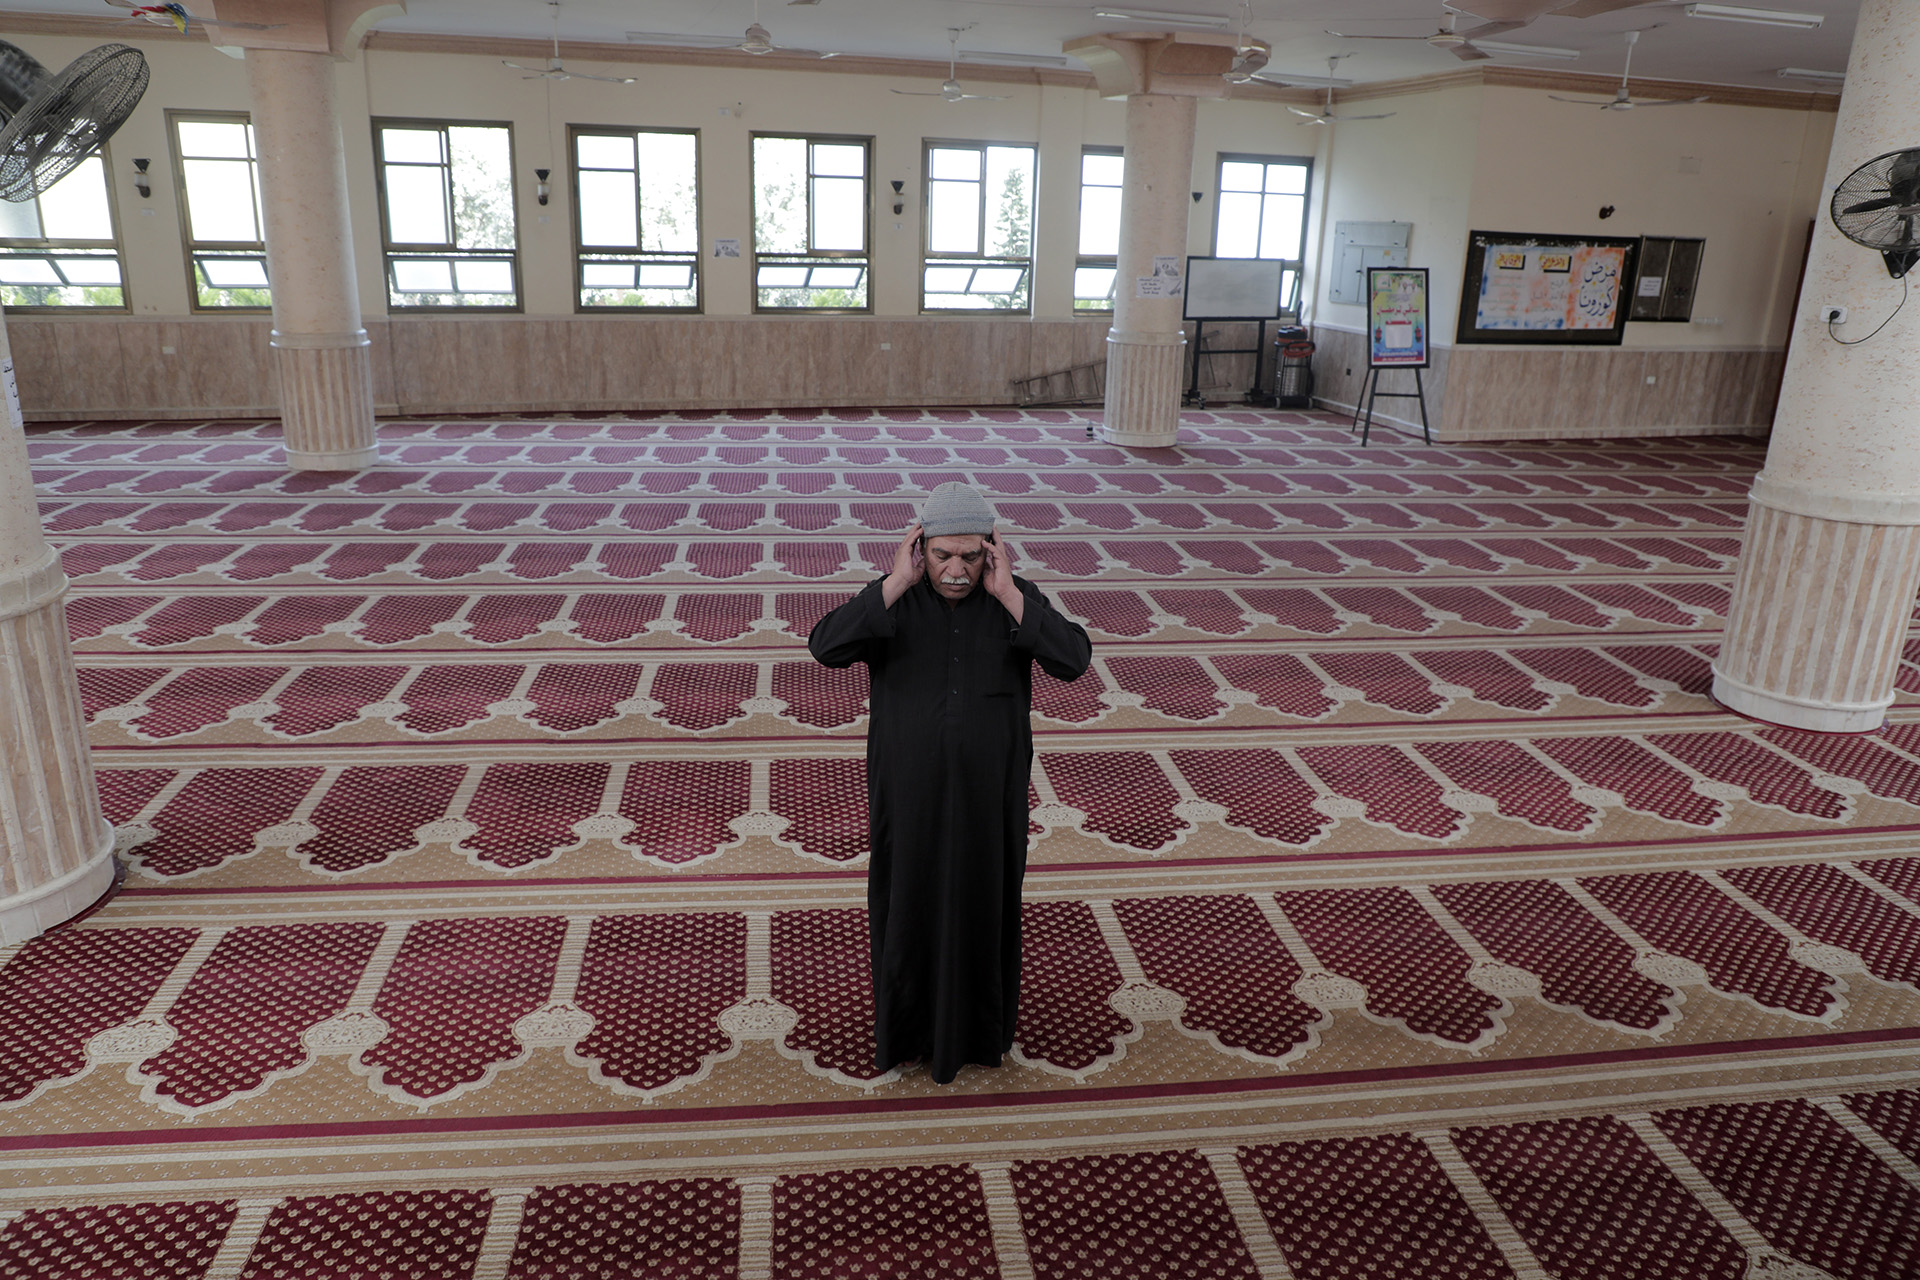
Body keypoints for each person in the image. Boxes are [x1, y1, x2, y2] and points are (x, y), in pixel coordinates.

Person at [808, 482, 1093, 1084]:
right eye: (943, 556)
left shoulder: (1013, 599)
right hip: (907, 797)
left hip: (991, 798)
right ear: (920, 550)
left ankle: (979, 1035)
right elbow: (825, 646)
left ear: (991, 552)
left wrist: (1012, 594)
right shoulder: (895, 602)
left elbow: (1073, 660)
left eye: (971, 555)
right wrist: (895, 584)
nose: (957, 570)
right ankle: (907, 1033)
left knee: (984, 904)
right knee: (907, 904)